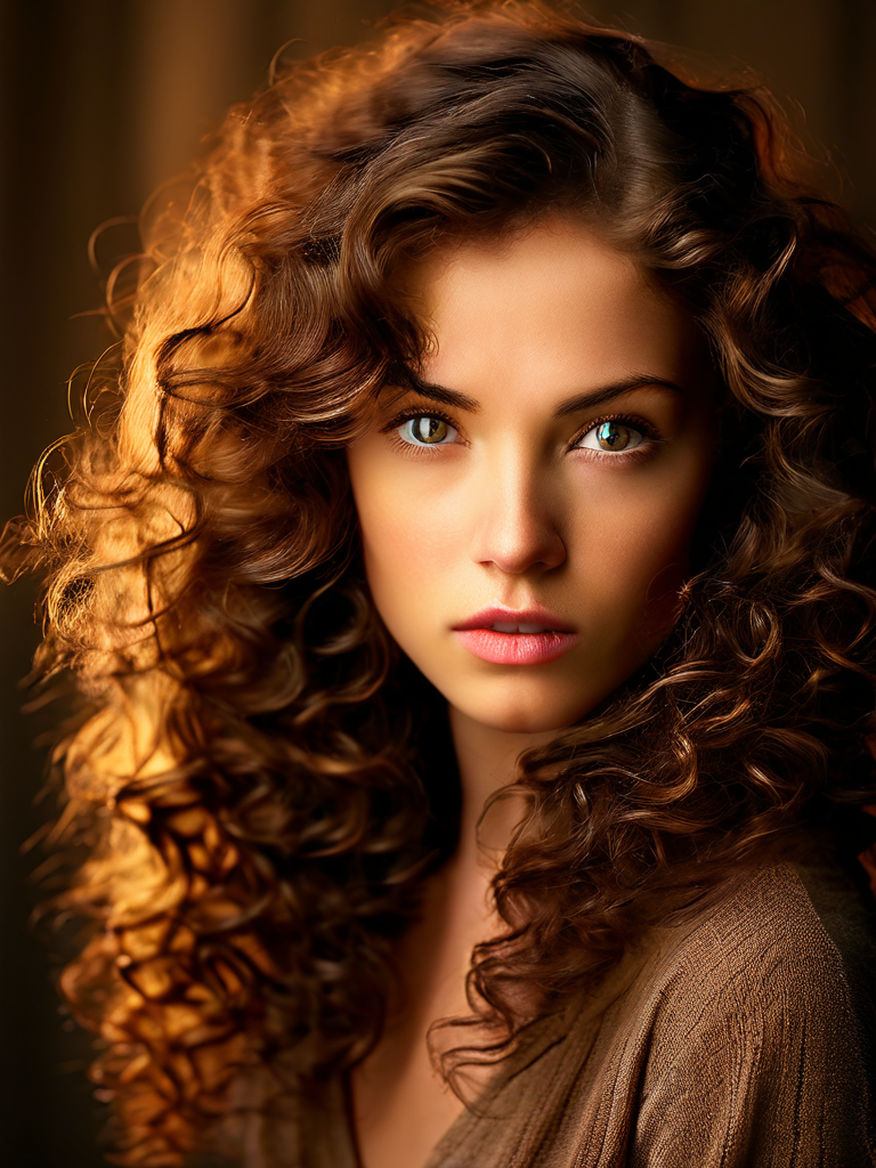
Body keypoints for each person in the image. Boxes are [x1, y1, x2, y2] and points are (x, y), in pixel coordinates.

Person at [2, 1, 876, 1165]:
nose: (515, 538)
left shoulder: (761, 985)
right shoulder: (307, 892)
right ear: (318, 463)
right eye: (427, 424)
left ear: (730, 470)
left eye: (611, 433)